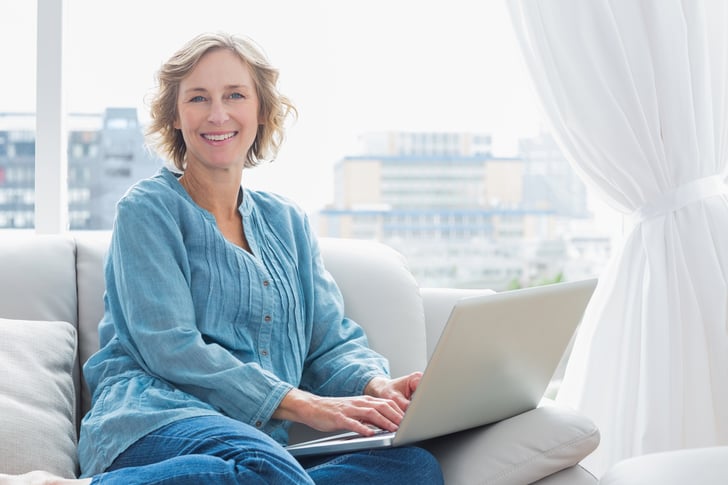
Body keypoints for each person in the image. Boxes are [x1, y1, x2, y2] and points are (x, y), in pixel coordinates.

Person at [0, 32, 443, 485]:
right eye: (198, 98)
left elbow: (329, 343)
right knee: (265, 469)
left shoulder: (287, 222)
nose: (217, 114)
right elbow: (171, 348)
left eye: (235, 95)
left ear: (261, 111)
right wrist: (305, 404)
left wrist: (377, 387)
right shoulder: (147, 210)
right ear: (175, 115)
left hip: (256, 445)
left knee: (411, 467)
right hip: (154, 420)